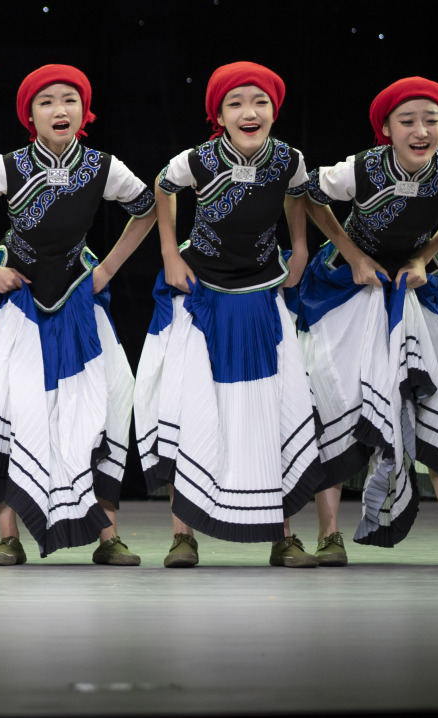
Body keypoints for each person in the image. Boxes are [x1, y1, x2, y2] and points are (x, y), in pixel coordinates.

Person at [0, 67, 159, 565]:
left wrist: (107, 269)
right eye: (47, 102)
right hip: (17, 302)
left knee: (100, 403)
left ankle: (108, 537)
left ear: (84, 111)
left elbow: (148, 207)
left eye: (69, 100)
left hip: (77, 299)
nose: (60, 110)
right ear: (30, 115)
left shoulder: (102, 167)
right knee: (11, 407)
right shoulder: (9, 166)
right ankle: (8, 537)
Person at [297, 77, 438, 566]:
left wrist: (426, 254)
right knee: (338, 399)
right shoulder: (360, 169)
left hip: (411, 287)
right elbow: (307, 193)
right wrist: (352, 254)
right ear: (386, 128)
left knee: (431, 398)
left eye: (431, 120)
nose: (420, 131)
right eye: (407, 121)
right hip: (347, 286)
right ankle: (328, 535)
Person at [134, 62, 321, 568]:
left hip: (261, 290)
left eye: (260, 102)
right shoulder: (198, 160)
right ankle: (183, 536)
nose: (248, 112)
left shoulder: (289, 159)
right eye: (235, 104)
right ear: (219, 116)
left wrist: (301, 246)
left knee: (276, 407)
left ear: (274, 111)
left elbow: (298, 195)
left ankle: (284, 536)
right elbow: (163, 187)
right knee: (190, 405)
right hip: (201, 291)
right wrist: (169, 253)